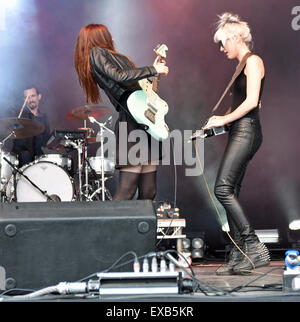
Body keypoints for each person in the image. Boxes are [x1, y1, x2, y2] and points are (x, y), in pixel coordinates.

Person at [202, 13, 270, 274]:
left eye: (223, 43)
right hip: (239, 130)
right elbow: (241, 104)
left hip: (247, 131)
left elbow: (252, 102)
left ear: (235, 38)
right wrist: (216, 126)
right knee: (231, 191)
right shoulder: (242, 65)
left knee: (222, 189)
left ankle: (252, 246)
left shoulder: (253, 62)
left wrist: (223, 118)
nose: (222, 49)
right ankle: (240, 254)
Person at [74, 24, 169, 200]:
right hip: (131, 122)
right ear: (98, 37)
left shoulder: (111, 56)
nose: (113, 38)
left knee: (149, 191)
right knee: (127, 190)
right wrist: (152, 69)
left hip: (145, 120)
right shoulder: (96, 53)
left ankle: (140, 228)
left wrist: (153, 75)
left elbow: (141, 90)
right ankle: (111, 228)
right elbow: (119, 76)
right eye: (108, 35)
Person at [12, 86, 50, 167]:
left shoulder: (44, 118)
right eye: (27, 97)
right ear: (24, 100)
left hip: (39, 157)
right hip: (23, 158)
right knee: (25, 155)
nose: (30, 100)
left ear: (39, 97)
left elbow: (46, 141)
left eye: (33, 96)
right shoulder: (20, 117)